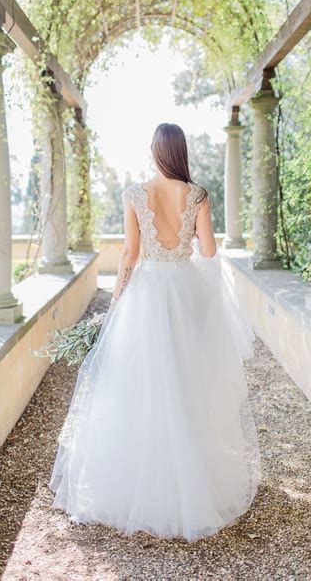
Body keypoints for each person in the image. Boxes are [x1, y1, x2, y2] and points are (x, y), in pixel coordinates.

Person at [48, 122, 261, 542]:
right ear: (181, 152)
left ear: (155, 152)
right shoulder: (197, 194)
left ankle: (136, 481)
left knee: (137, 384)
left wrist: (116, 301)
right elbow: (209, 251)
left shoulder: (134, 194)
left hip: (146, 292)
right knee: (184, 382)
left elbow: (129, 253)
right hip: (183, 291)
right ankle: (187, 482)